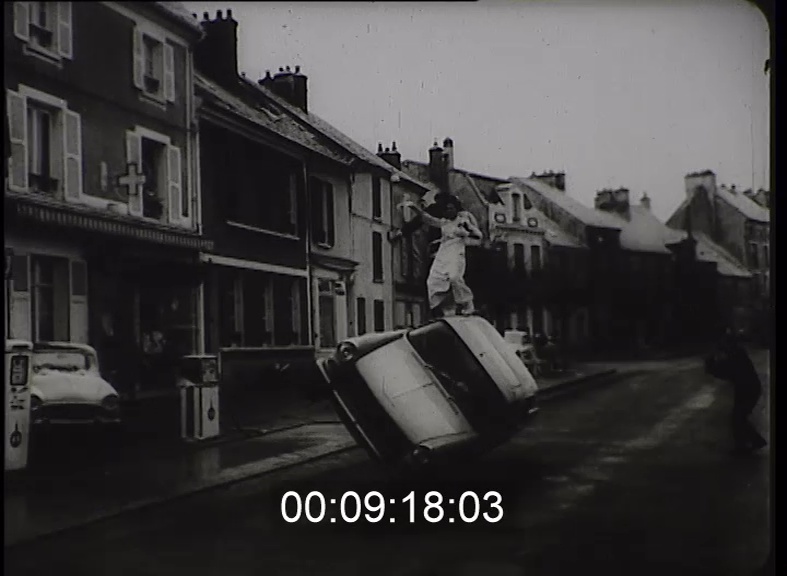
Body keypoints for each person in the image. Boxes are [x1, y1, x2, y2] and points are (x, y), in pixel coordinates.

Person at [402, 196, 483, 317]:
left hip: (456, 253)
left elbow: (478, 236)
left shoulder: (463, 221)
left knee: (454, 277)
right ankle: (444, 308)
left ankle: (467, 304)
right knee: (433, 281)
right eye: (447, 209)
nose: (449, 211)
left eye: (451, 208)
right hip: (443, 253)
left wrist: (469, 229)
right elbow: (427, 218)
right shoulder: (444, 223)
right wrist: (414, 207)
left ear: (456, 209)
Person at [705, 328, 767, 455]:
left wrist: (711, 363)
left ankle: (749, 443)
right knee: (738, 418)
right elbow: (724, 370)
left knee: (738, 418)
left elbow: (723, 371)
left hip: (748, 389)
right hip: (747, 388)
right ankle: (752, 442)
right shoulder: (736, 353)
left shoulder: (736, 355)